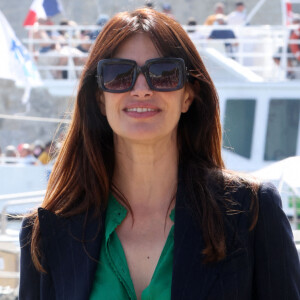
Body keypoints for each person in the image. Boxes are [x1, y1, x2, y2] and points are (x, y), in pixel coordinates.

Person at [19, 8, 300, 300]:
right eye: (118, 74)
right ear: (100, 98)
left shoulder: (252, 213)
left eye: (164, 74)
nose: (141, 89)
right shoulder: (44, 234)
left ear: (188, 95)